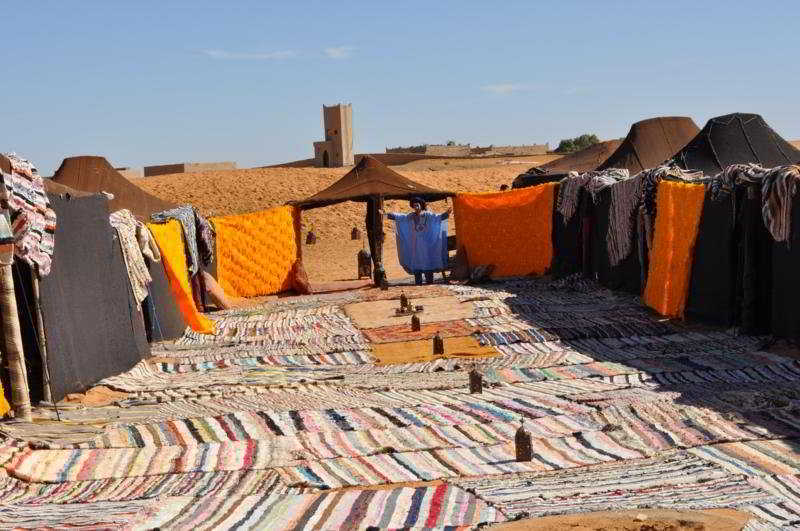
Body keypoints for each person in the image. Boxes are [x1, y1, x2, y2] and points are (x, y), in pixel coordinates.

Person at [380, 197, 451, 285]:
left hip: (426, 245)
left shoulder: (428, 215)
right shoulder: (410, 216)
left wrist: (446, 214)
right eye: (414, 206)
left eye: (417, 205)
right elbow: (400, 217)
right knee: (416, 263)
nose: (416, 207)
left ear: (421, 205)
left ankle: (429, 282)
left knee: (427, 261)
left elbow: (437, 218)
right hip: (415, 245)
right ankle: (418, 283)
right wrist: (386, 214)